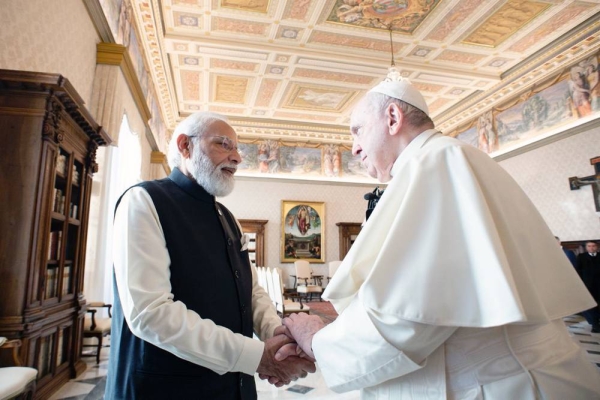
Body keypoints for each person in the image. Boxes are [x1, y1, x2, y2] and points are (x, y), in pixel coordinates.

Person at [276, 74, 600, 398]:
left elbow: (409, 316)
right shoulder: (443, 159)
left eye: (357, 130)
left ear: (392, 118)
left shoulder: (434, 163)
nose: (354, 148)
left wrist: (317, 340)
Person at [105, 112, 315, 399]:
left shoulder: (228, 218)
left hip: (230, 386)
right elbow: (150, 313)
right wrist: (255, 355)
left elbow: (250, 292)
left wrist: (276, 336)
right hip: (163, 386)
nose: (237, 157)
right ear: (185, 146)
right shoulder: (144, 201)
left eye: (237, 148)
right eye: (223, 144)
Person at [576, 241, 600, 333]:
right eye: (589, 246)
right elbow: (578, 271)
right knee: (592, 305)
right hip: (588, 285)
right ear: (586, 247)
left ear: (596, 247)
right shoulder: (581, 257)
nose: (591, 248)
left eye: (593, 246)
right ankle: (595, 325)